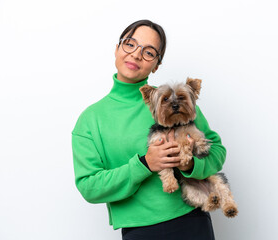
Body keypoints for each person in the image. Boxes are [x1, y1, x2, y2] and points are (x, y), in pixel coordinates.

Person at [72, 19, 226, 240]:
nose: (136, 54)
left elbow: (218, 151)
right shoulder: (90, 120)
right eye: (130, 44)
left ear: (156, 65)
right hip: (139, 230)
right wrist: (144, 164)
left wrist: (192, 164)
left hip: (191, 220)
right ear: (117, 49)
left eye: (149, 52)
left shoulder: (176, 101)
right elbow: (89, 187)